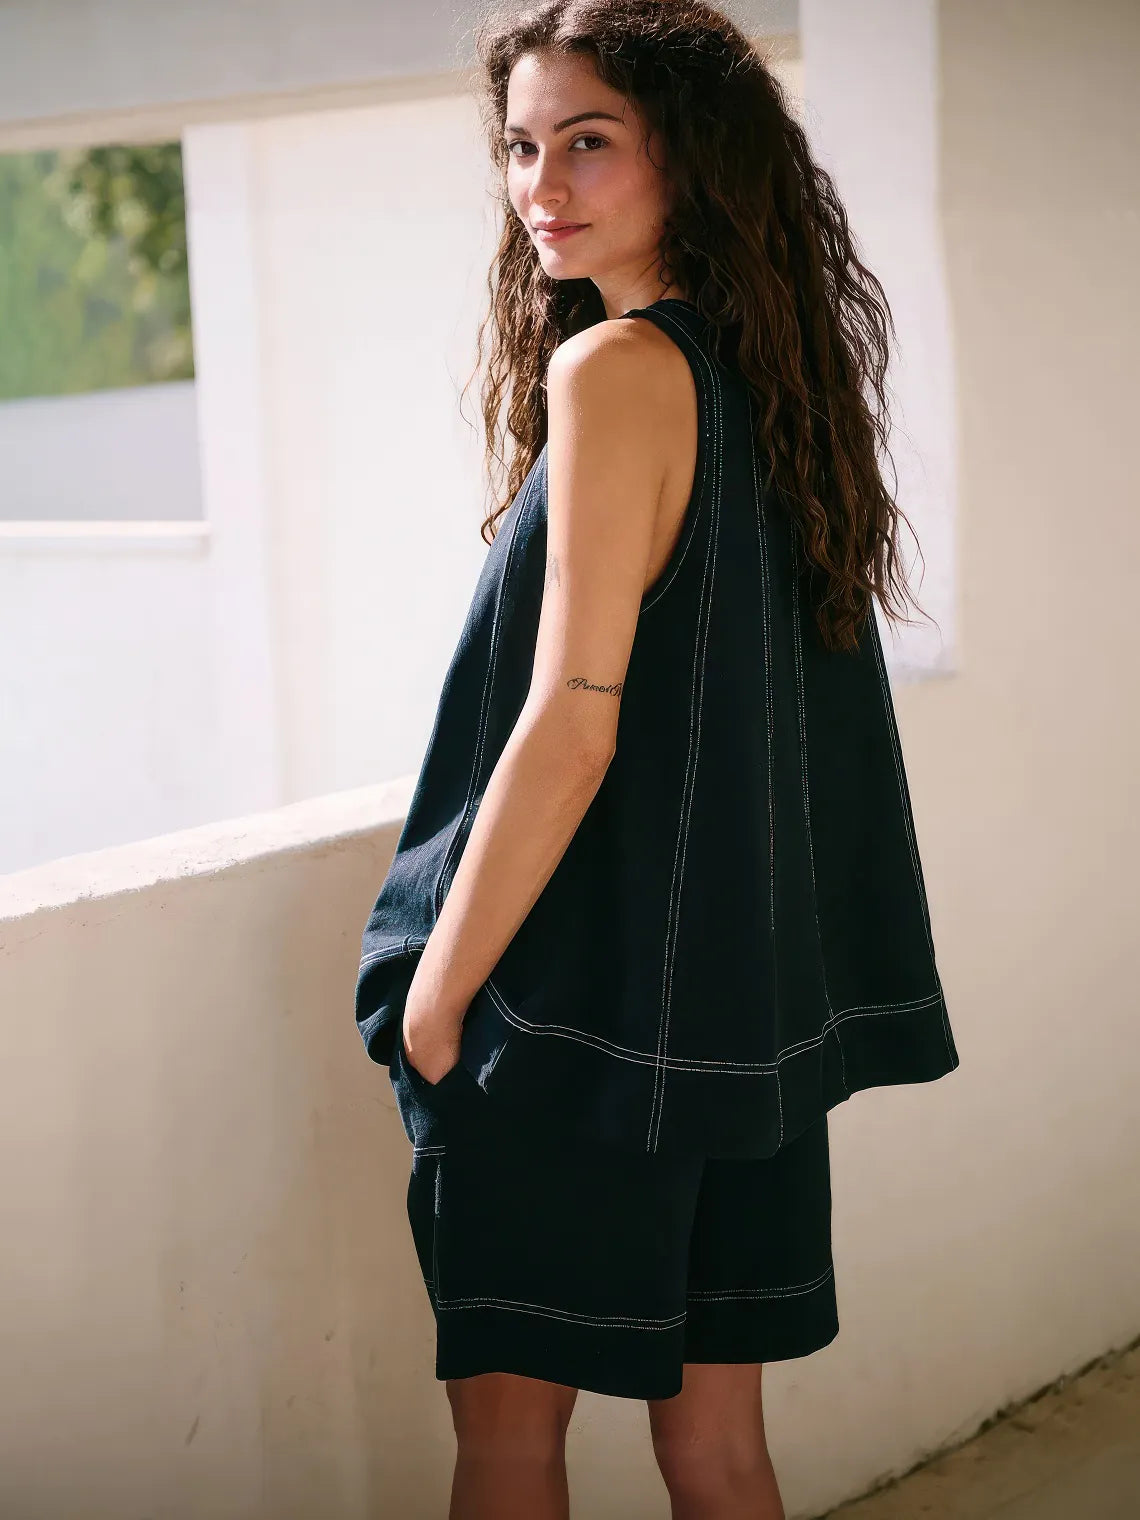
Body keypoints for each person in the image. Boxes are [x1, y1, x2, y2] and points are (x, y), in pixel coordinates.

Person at [354, 1, 961, 1514]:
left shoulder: (617, 370)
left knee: (506, 1442)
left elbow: (572, 724)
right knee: (720, 1446)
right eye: (519, 145)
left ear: (687, 157)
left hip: (568, 1022)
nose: (541, 182)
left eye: (589, 140)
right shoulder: (777, 385)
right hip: (732, 1027)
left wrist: (438, 998)